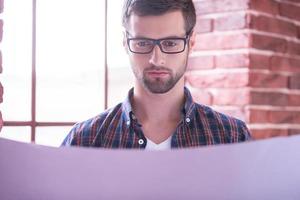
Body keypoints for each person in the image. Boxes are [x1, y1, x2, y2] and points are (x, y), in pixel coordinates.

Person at [62, 0, 251, 149]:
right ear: (125, 43)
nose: (156, 59)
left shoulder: (232, 137)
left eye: (170, 43)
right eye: (142, 43)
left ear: (191, 42)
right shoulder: (84, 140)